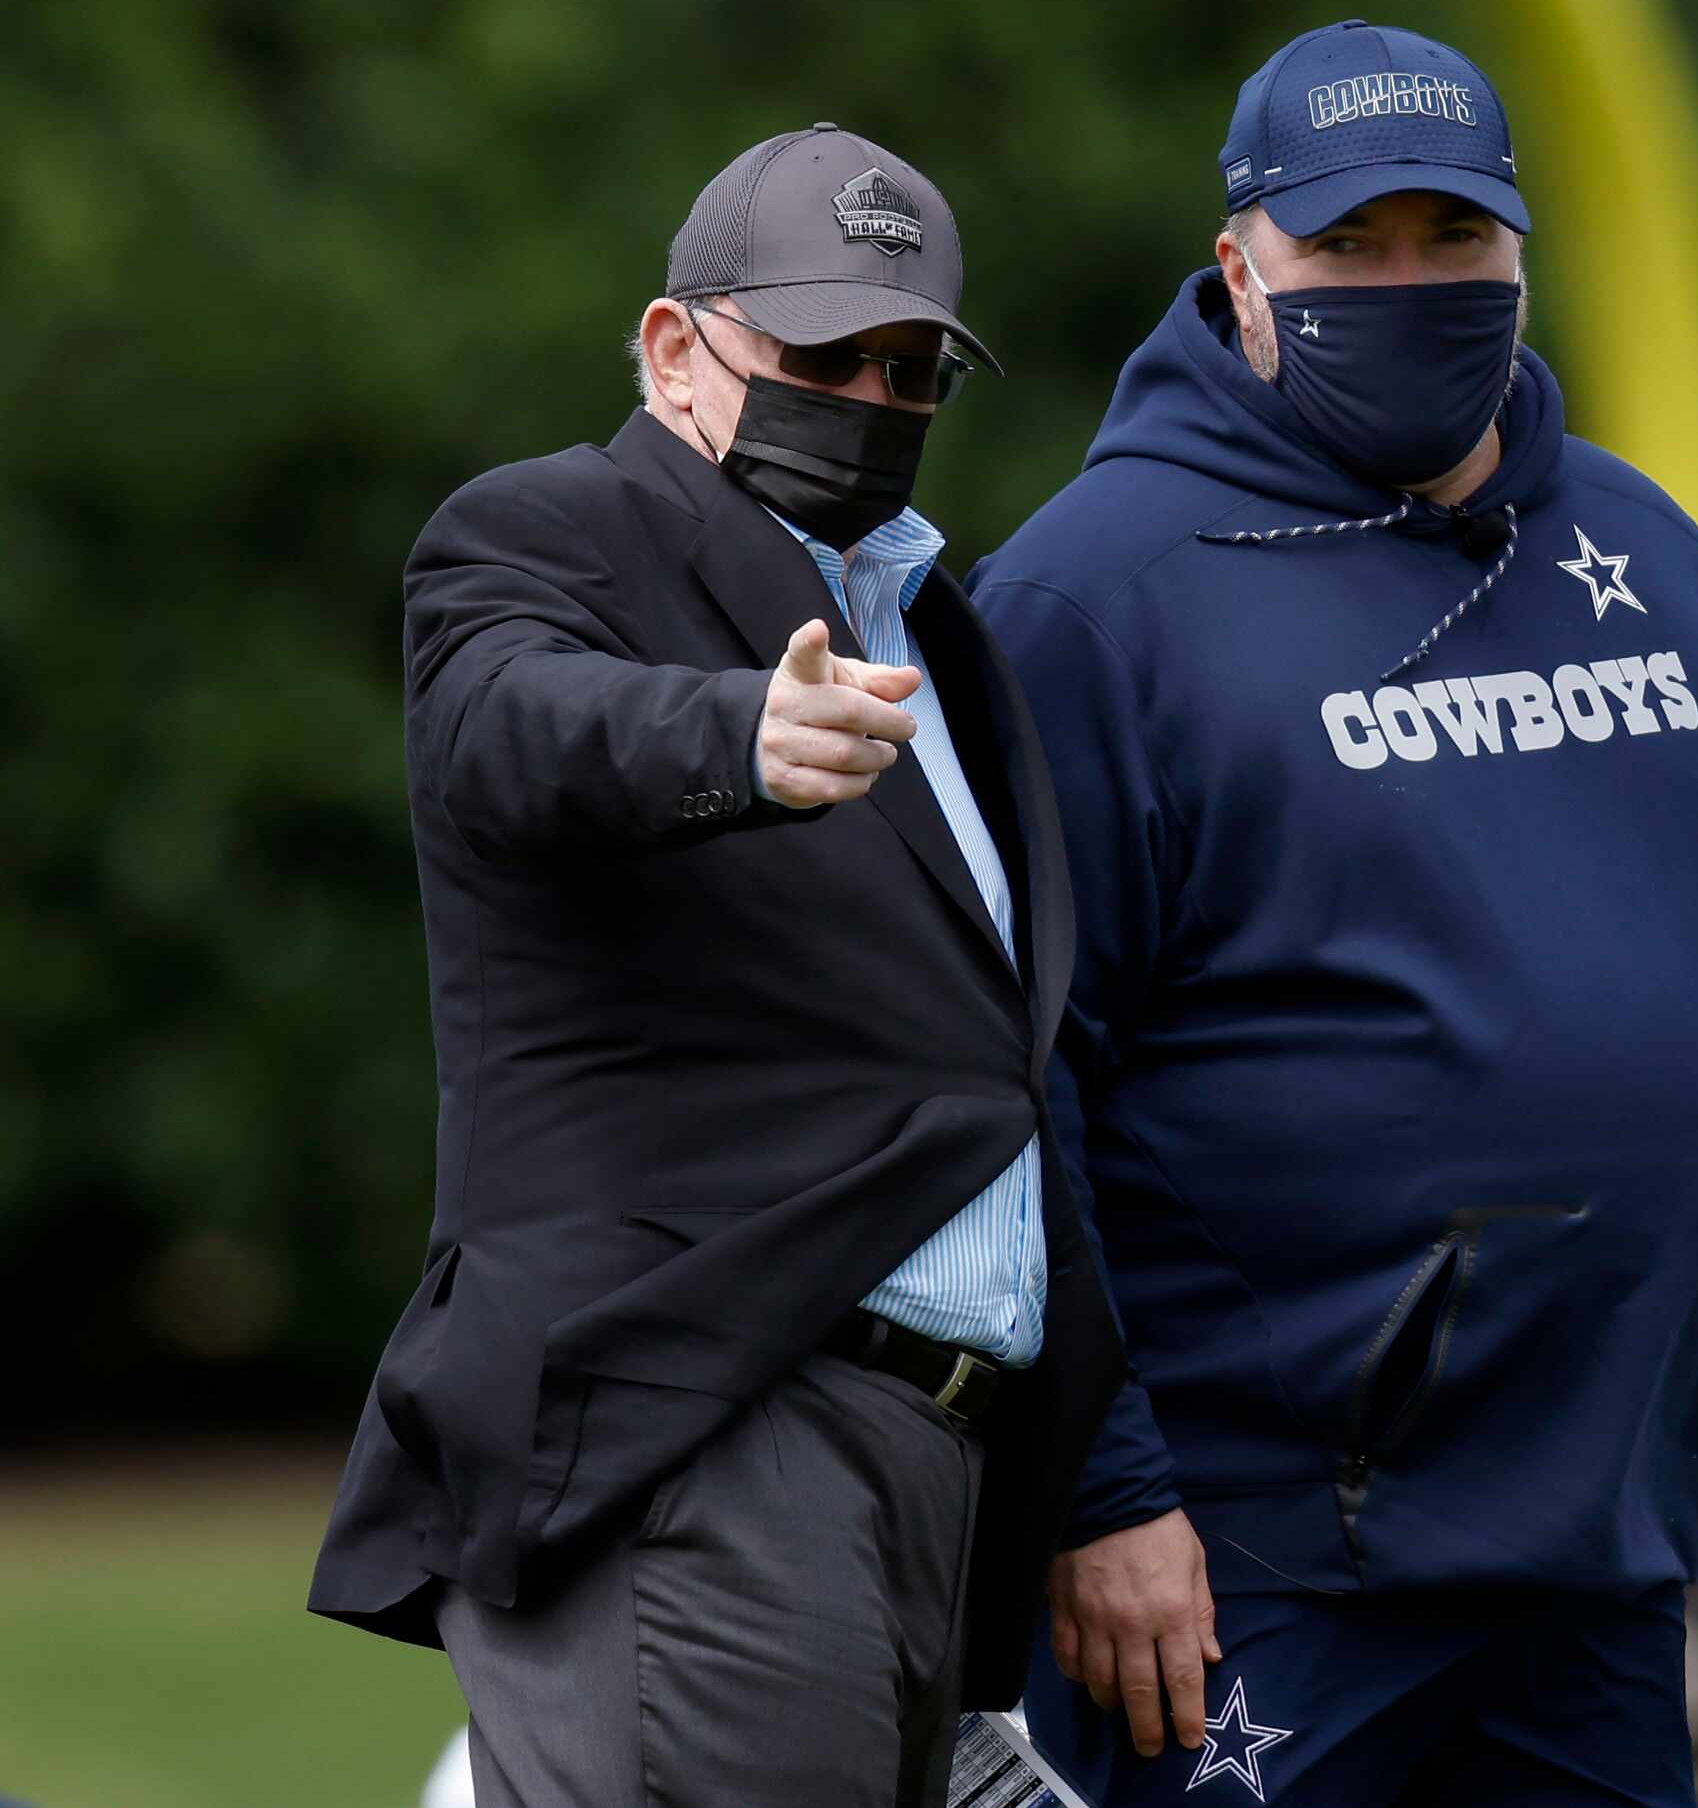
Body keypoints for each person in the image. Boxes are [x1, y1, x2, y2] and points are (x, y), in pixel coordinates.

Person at [970, 21, 1698, 1806]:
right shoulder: (1091, 602)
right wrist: (1100, 1487)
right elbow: (1001, 1084)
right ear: (1239, 271)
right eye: (1346, 247)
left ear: (1519, 253)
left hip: (1601, 1554)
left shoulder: (1645, 555)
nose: (1408, 283)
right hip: (1250, 1579)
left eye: (1451, 242)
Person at [308, 125, 1126, 1808]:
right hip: (704, 1442)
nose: (873, 397)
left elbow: (995, 1075)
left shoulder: (943, 629)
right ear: (678, 348)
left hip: (931, 1485)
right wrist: (733, 730)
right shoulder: (549, 529)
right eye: (826, 354)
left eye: (912, 366)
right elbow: (504, 725)